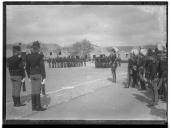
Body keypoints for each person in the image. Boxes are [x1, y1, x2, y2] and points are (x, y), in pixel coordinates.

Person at [26, 41, 46, 111]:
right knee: (37, 90)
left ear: (33, 48)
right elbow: (42, 67)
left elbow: (27, 67)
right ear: (38, 48)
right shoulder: (40, 56)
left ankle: (33, 106)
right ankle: (38, 106)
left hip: (31, 74)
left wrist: (28, 76)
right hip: (38, 74)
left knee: (33, 90)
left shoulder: (28, 56)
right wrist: (44, 77)